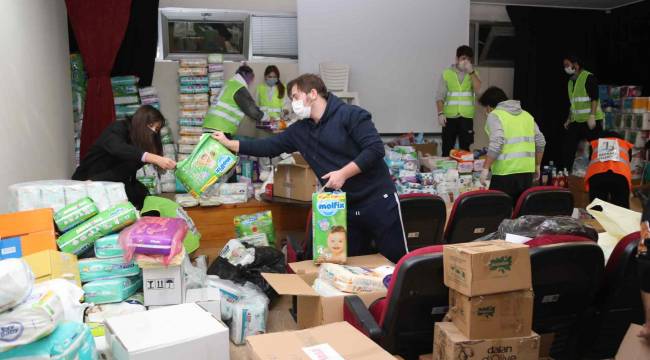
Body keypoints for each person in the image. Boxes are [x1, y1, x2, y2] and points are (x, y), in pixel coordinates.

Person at [210, 74, 408, 263]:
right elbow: (269, 146)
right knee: (350, 264)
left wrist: (343, 173)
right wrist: (230, 143)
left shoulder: (351, 115)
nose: (293, 103)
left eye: (295, 97)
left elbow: (374, 149)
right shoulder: (300, 130)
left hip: (377, 200)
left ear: (313, 94)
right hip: (344, 207)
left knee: (394, 259)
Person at [72, 105, 176, 208]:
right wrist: (152, 157)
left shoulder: (141, 144)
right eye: (151, 125)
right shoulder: (118, 128)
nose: (152, 131)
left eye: (156, 129)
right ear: (140, 122)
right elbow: (118, 148)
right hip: (87, 180)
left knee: (144, 198)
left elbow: (123, 172)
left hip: (113, 181)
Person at [478, 86, 546, 203]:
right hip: (526, 174)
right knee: (520, 215)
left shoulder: (495, 115)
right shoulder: (527, 116)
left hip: (504, 174)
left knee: (499, 213)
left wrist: (485, 168)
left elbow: (497, 142)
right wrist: (537, 165)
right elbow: (540, 141)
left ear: (489, 106)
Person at [562, 55, 605, 172]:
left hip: (590, 119)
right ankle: (566, 173)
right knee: (569, 147)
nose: (565, 68)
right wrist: (568, 119)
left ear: (575, 64)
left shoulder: (589, 78)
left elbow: (594, 98)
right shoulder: (571, 82)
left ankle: (595, 172)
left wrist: (592, 116)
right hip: (577, 120)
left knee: (595, 147)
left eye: (567, 65)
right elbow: (573, 103)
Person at [436, 45, 481, 156]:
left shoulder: (474, 73)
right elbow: (439, 96)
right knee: (447, 148)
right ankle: (446, 172)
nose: (466, 62)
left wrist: (471, 72)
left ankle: (464, 172)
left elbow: (478, 88)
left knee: (465, 149)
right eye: (463, 59)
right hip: (450, 117)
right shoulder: (447, 73)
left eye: (468, 60)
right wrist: (440, 113)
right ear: (457, 59)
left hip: (466, 117)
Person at [204, 64, 272, 136]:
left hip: (209, 126)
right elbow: (252, 110)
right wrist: (268, 118)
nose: (250, 82)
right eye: (251, 78)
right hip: (220, 129)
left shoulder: (229, 84)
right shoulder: (239, 88)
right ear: (245, 74)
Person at [584, 131, 632, 208]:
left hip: (598, 175)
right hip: (620, 176)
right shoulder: (624, 144)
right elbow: (629, 160)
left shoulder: (595, 143)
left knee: (597, 211)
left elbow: (590, 158)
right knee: (620, 210)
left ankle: (596, 219)